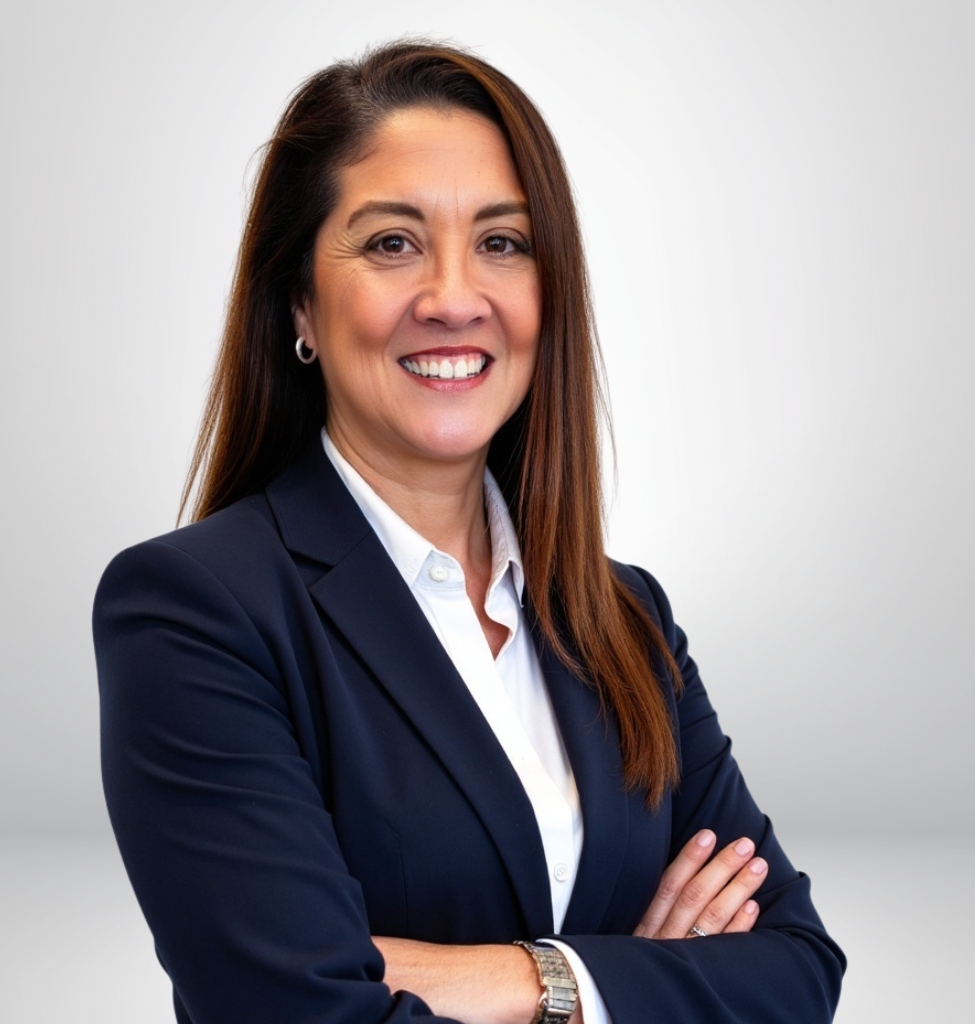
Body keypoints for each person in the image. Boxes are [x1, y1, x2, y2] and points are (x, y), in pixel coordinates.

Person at [93, 41, 845, 1024]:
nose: (454, 299)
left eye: (502, 242)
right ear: (299, 307)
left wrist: (528, 980)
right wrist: (639, 980)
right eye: (392, 243)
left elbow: (795, 970)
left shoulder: (626, 620)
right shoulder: (193, 616)